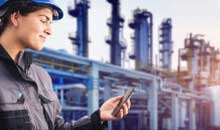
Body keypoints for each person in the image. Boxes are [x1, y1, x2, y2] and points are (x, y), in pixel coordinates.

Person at [0, 0, 131, 130]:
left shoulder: (41, 76)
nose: (49, 31)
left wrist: (98, 117)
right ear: (16, 17)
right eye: (44, 20)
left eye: (51, 23)